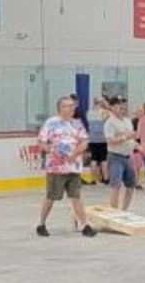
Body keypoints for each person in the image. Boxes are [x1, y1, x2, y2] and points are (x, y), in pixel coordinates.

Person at [35, 95, 97, 237]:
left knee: (76, 196)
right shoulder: (51, 123)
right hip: (56, 168)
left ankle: (85, 225)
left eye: (73, 106)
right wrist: (52, 150)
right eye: (68, 106)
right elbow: (41, 142)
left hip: (73, 167)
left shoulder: (77, 123)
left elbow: (84, 141)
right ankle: (41, 223)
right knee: (51, 196)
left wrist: (75, 153)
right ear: (61, 108)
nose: (72, 108)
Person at [104, 97, 137, 211]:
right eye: (118, 105)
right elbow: (110, 140)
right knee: (116, 185)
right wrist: (125, 137)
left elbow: (131, 138)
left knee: (131, 185)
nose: (122, 107)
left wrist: (136, 145)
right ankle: (114, 212)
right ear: (112, 107)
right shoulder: (110, 123)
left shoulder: (127, 121)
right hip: (116, 157)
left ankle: (124, 210)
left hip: (128, 157)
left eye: (123, 104)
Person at [86, 96, 109, 184]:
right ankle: (106, 178)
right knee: (103, 160)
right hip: (102, 139)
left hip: (92, 139)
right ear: (101, 102)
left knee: (94, 159)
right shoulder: (104, 112)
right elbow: (107, 119)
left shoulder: (89, 112)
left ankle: (93, 179)